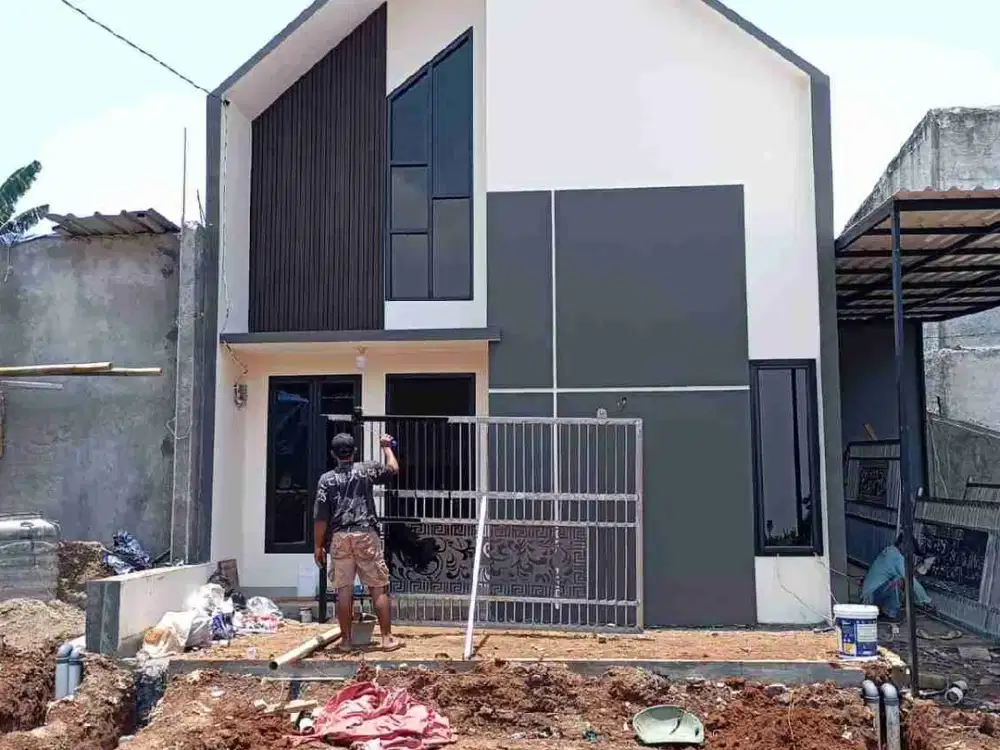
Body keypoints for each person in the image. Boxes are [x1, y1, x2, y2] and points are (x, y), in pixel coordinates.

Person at [313, 432, 400, 651]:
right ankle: (387, 639)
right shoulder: (365, 470)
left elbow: (321, 517)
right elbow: (393, 469)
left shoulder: (326, 480)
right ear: (355, 451)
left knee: (344, 590)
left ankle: (345, 641)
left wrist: (317, 546)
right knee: (378, 587)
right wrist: (386, 447)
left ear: (333, 454)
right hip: (365, 534)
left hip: (340, 537)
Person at [861, 531, 934, 623]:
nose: (909, 553)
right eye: (909, 549)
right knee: (898, 580)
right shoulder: (896, 557)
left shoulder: (890, 551)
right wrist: (926, 601)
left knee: (899, 579)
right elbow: (911, 580)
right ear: (903, 544)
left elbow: (909, 575)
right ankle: (891, 615)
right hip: (870, 600)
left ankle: (884, 611)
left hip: (869, 597)